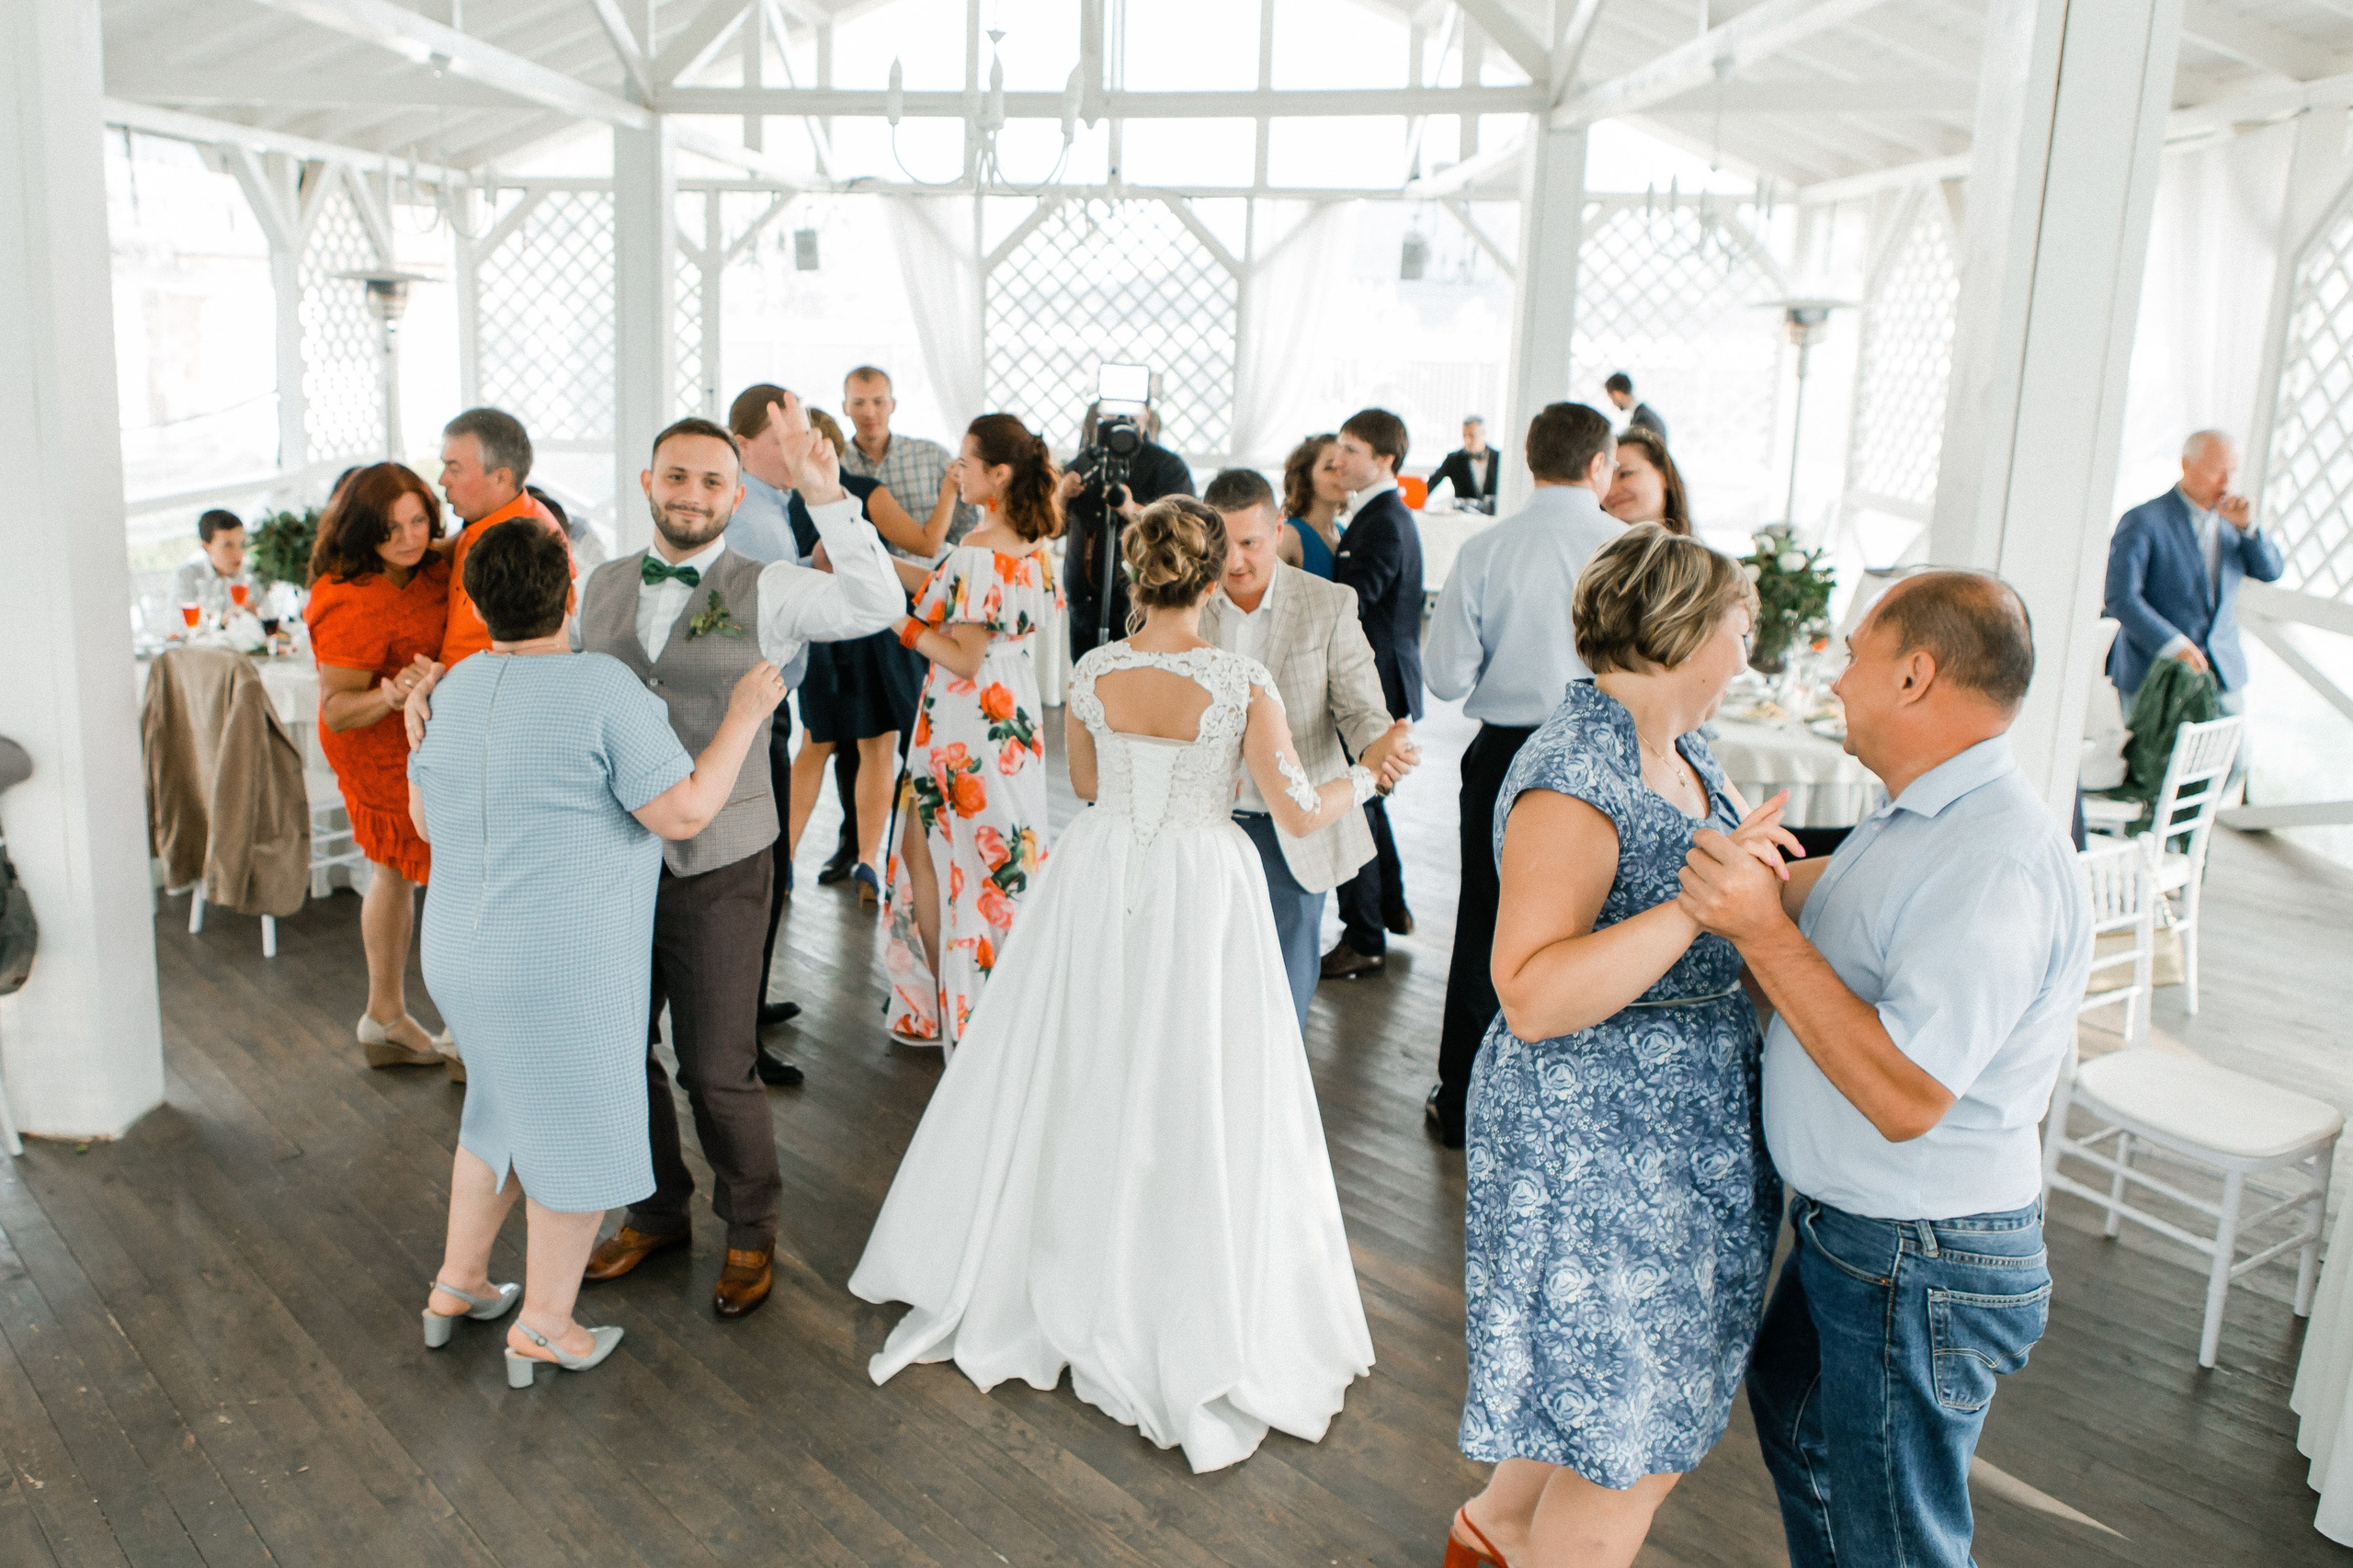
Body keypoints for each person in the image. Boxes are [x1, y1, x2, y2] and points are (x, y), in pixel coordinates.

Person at [850, 498, 1412, 1471]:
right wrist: (1374, 773)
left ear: (1138, 574)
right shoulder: (1240, 681)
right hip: (1199, 879)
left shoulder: (1095, 668)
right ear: (1210, 578)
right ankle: (1167, 1269)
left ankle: (1059, 1247)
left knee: (1084, 1056)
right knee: (1189, 1067)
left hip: (1100, 870)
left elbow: (1092, 781)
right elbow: (1297, 809)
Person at [409, 404, 903, 1323]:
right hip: (606, 871)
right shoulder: (594, 585)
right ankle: (657, 1208)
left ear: (735, 491)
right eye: (675, 476)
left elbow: (879, 605)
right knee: (613, 1051)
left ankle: (750, 1226)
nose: (691, 494)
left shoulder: (778, 586)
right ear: (647, 483)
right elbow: (564, 700)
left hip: (720, 856)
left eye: (713, 480)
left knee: (717, 1064)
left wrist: (825, 491)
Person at [1676, 571, 2093, 1568]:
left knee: (1896, 1539)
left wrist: (1758, 930)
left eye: (1853, 654)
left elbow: (1908, 1094)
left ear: (1914, 675)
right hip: (1861, 1233)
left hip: (1919, 1248)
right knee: (1804, 1429)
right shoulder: (1920, 815)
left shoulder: (1990, 860)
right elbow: (1823, 932)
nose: (1833, 680)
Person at [1446, 526, 1792, 1568]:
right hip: (1596, 1151)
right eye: (1741, 628)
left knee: (1594, 1420)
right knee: (1624, 1442)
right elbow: (1533, 991)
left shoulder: (1681, 751)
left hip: (1674, 1145)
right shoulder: (1573, 772)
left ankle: (1491, 1536)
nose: (1747, 652)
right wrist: (1700, 905)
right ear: (1687, 630)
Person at [406, 517, 787, 1386]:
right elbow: (685, 813)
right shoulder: (600, 689)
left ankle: (458, 1285)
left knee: (497, 1116)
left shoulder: (459, 687)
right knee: (573, 1135)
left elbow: (427, 823)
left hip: (460, 956)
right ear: (571, 593)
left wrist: (414, 725)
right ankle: (545, 1323)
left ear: (474, 602)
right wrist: (744, 716)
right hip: (557, 965)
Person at [1423, 402, 1626, 1150]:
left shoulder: (1485, 549)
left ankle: (1462, 1095)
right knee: (1598, 924)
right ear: (1599, 465)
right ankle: (1569, 1101)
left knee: (1485, 914)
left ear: (1530, 460)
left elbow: (1444, 678)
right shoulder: (1630, 548)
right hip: (1608, 750)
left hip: (1508, 750)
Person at [1199, 468, 1415, 1026]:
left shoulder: (1329, 603)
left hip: (1292, 829)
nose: (1234, 562)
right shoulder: (1186, 601)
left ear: (1278, 528)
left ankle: (1272, 1107)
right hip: (1201, 824)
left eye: (1249, 543)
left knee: (1283, 997)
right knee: (1203, 985)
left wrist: (1380, 747)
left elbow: (1362, 707)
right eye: (1220, 544)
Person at [881, 414, 1065, 1051]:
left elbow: (961, 654)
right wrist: (882, 567)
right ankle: (962, 1003)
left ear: (999, 473)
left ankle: (962, 1012)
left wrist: (893, 621)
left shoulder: (979, 550)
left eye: (964, 462)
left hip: (968, 716)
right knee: (959, 855)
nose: (954, 472)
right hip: (1004, 711)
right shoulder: (1023, 543)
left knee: (946, 856)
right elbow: (945, 586)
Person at [302, 464, 453, 1074]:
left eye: (419, 520)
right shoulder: (349, 600)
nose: (411, 537)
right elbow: (337, 711)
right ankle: (409, 1018)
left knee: (398, 872)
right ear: (364, 532)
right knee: (407, 868)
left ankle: (384, 1016)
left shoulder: (429, 563)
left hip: (420, 738)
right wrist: (391, 694)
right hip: (377, 744)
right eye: (392, 529)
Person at [790, 400, 935, 905]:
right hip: (874, 629)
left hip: (821, 633)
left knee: (813, 748)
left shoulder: (783, 502)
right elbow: (921, 543)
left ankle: (782, 860)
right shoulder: (864, 494)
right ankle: (870, 859)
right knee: (879, 749)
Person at [1321, 407, 1424, 980]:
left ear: (1385, 459)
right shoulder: (1381, 514)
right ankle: (1389, 908)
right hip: (1386, 680)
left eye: (1351, 448)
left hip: (1374, 685)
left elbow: (1352, 603)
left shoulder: (1383, 519)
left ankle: (1364, 936)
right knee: (1370, 800)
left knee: (1354, 804)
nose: (1339, 459)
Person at [2103, 429, 2284, 726]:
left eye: (2231, 472)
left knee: (2233, 764)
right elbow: (2120, 598)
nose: (2226, 483)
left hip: (2222, 673)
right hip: (2154, 672)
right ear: (2187, 464)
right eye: (2216, 472)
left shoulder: (2232, 523)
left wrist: (2248, 529)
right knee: (2156, 769)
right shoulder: (2143, 520)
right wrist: (2175, 645)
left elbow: (2271, 571)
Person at [1060, 398, 1197, 658]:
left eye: (1131, 407)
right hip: (1084, 605)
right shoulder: (1086, 461)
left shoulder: (1168, 466)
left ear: (1147, 412)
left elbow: (1185, 530)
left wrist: (1132, 509)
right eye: (1113, 406)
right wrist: (1062, 494)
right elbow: (1052, 528)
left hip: (1142, 609)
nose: (1122, 415)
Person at [437, 407, 571, 668]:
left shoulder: (532, 545)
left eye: (454, 469)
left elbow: (539, 655)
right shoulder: (484, 520)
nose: (443, 481)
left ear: (500, 477)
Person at [1276, 433, 1347, 577]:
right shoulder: (1290, 536)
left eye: (1344, 466)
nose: (1342, 474)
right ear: (1306, 478)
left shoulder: (1344, 533)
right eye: (1330, 468)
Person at [1603, 426, 1691, 535]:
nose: (1612, 491)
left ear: (1663, 475)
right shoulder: (1591, 549)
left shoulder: (1696, 551)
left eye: (1625, 474)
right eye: (1605, 480)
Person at [173, 508, 256, 619]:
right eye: (228, 545)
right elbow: (176, 626)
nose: (238, 553)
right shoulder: (187, 576)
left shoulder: (251, 574)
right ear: (206, 547)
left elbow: (272, 619)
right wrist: (221, 623)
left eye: (242, 544)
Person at [1428, 415, 1502, 515]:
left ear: (1483, 434)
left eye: (1472, 436)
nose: (1467, 440)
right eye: (1464, 436)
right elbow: (1431, 484)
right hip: (1462, 522)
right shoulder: (1453, 460)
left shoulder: (1500, 459)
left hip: (1494, 520)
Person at [1603, 372, 1667, 447]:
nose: (1613, 404)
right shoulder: (1643, 414)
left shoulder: (1642, 418)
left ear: (1618, 394)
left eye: (1611, 398)